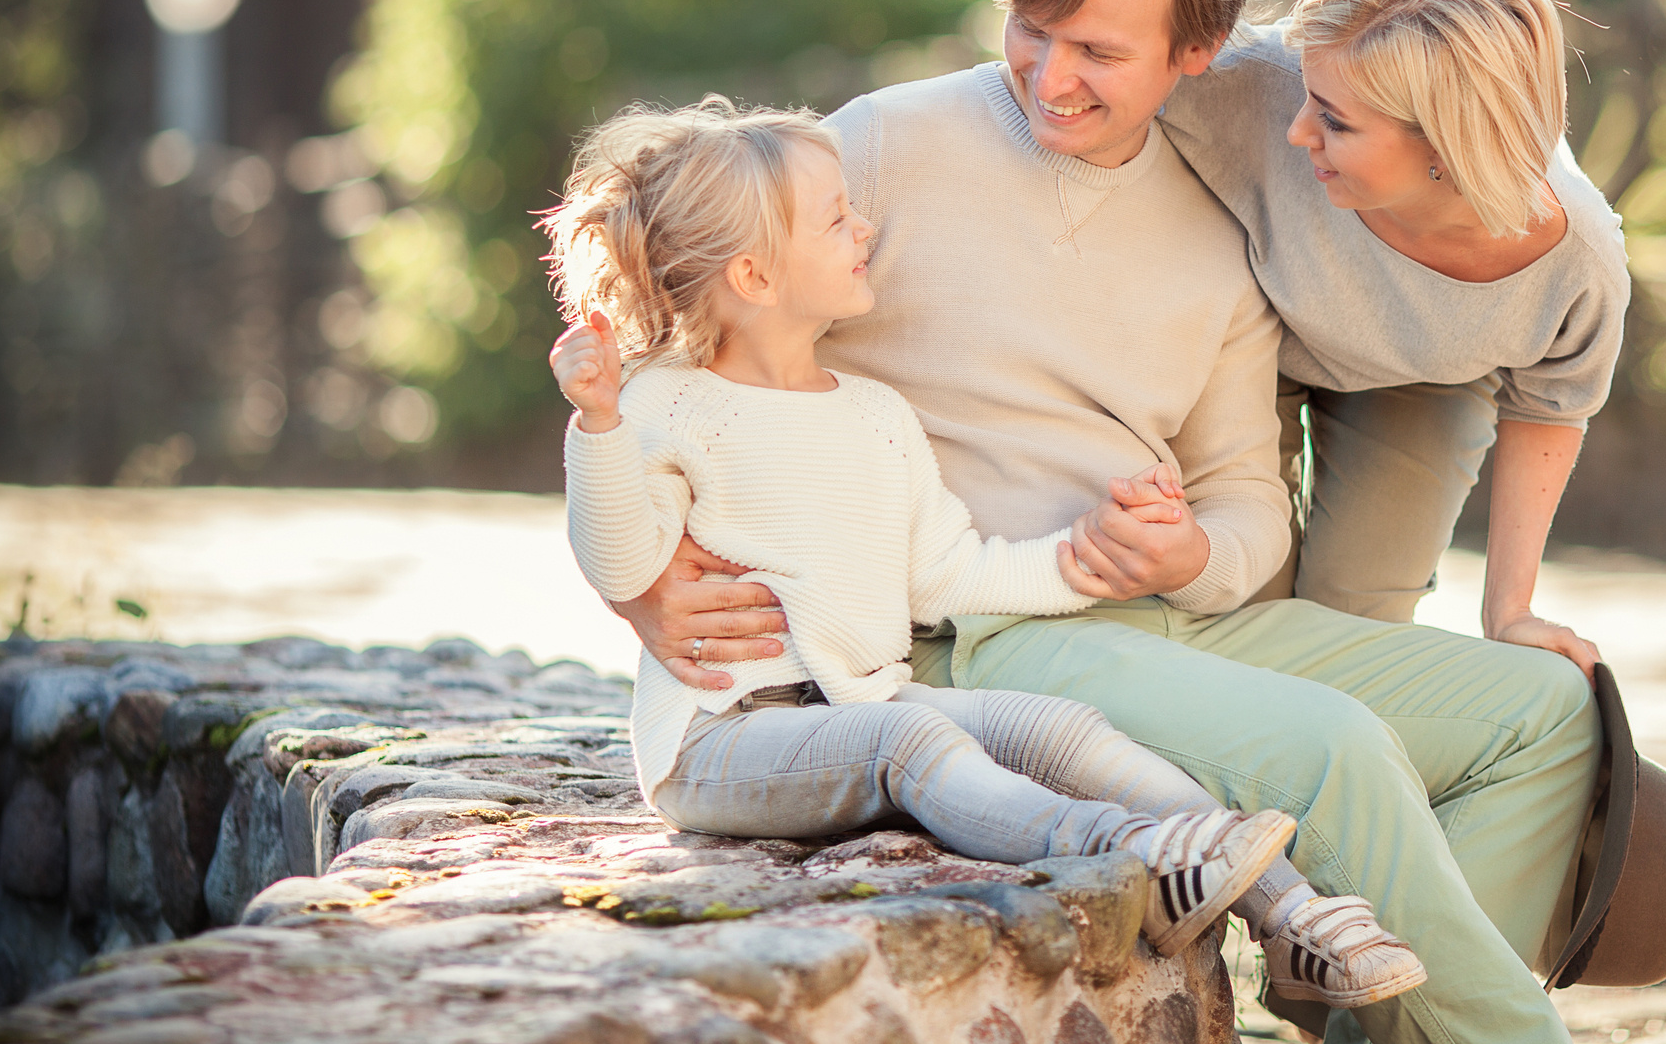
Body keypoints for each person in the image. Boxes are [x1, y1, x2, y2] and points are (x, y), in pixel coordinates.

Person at [608, 0, 1666, 1044]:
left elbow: (1250, 510)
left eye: (1099, 52)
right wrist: (647, 575)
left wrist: (1190, 546)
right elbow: (667, 330)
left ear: (1201, 60)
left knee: (1551, 718)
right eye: (1032, 26)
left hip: (1175, 616)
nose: (1050, 76)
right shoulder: (882, 148)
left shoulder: (1225, 216)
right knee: (1338, 748)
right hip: (995, 631)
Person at [538, 95, 1423, 989]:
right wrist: (599, 423)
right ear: (756, 277)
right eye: (837, 217)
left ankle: (1296, 914)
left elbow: (945, 575)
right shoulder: (662, 404)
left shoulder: (876, 414)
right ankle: (1133, 851)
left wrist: (1085, 558)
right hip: (722, 740)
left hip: (856, 703)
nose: (865, 227)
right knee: (910, 748)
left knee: (1058, 728)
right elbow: (624, 563)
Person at [1157, 0, 1630, 672]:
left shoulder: (1577, 262)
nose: (1296, 129)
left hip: (1427, 374)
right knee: (1237, 611)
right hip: (1255, 331)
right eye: (1308, 95)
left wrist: (1509, 610)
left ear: (1448, 145)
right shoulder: (1251, 84)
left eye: (1336, 123)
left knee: (1347, 639)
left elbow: (1550, 404)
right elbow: (1075, 82)